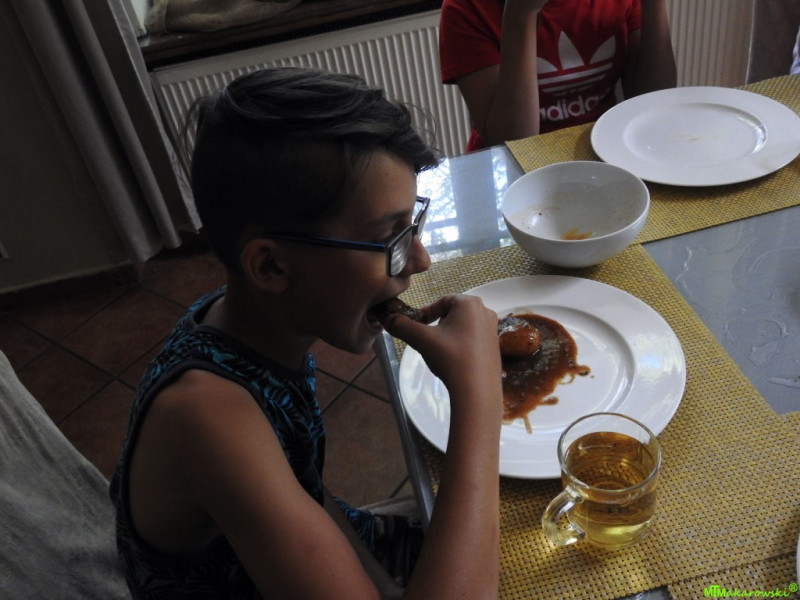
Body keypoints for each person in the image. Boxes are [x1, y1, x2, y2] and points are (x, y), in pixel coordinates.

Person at [109, 66, 504, 600]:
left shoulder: (254, 327)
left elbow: (302, 483)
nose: (421, 260)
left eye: (413, 225)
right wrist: (479, 398)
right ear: (271, 267)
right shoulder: (207, 419)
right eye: (389, 238)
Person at [439, 0, 678, 152]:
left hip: (600, 154)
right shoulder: (466, 7)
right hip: (507, 173)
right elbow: (511, 143)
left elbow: (653, 102)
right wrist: (520, 15)